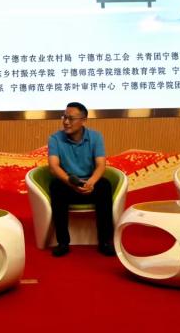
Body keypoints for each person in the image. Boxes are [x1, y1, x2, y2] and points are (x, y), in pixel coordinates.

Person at [46, 101, 116, 257]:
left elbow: (101, 165)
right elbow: (54, 166)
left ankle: (105, 242)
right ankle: (63, 243)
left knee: (105, 186)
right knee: (56, 186)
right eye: (64, 117)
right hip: (69, 183)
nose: (66, 122)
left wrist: (91, 182)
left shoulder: (96, 137)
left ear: (83, 120)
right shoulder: (55, 139)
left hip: (90, 184)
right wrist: (71, 183)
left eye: (71, 118)